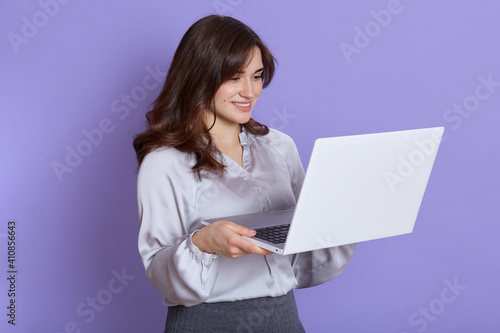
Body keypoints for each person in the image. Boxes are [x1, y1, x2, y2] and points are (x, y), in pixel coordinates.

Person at [133, 15, 356, 332]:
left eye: (257, 76)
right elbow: (158, 270)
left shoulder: (279, 146)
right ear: (199, 77)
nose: (249, 91)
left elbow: (302, 261)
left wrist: (343, 220)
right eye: (234, 78)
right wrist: (202, 243)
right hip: (207, 321)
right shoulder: (165, 162)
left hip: (283, 318)